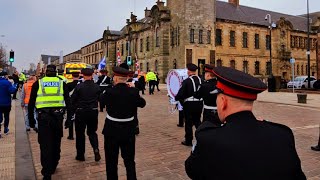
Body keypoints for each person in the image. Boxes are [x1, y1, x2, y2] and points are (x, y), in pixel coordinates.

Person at [185, 66, 306, 180]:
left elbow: (191, 169)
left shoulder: (208, 138)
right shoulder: (283, 134)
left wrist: (209, 126)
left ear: (223, 102)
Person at [101, 66, 146, 180]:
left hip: (112, 129)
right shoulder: (133, 92)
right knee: (129, 160)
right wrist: (133, 89)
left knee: (111, 161)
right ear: (126, 78)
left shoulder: (109, 91)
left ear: (115, 78)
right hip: (128, 129)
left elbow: (101, 100)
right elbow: (142, 103)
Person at [28, 65, 71, 180]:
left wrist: (31, 120)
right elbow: (68, 102)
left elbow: (31, 103)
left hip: (43, 118)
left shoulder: (38, 83)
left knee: (45, 145)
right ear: (56, 72)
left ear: (46, 72)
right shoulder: (62, 83)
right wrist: (69, 119)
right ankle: (54, 164)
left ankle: (47, 173)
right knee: (56, 142)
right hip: (58, 117)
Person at [69, 68, 101, 162]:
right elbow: (100, 99)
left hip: (81, 112)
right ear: (92, 75)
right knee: (92, 132)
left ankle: (80, 155)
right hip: (93, 111)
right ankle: (95, 148)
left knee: (80, 134)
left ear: (83, 75)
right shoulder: (96, 86)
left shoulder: (79, 87)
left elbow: (72, 100)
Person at [175, 63, 203, 146]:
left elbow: (181, 94)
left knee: (188, 123)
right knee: (197, 121)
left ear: (189, 71)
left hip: (189, 104)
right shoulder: (201, 80)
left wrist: (177, 99)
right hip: (199, 103)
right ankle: (202, 138)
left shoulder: (187, 81)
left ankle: (188, 140)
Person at [65, 72, 82, 140]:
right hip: (79, 104)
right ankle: (79, 134)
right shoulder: (81, 84)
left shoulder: (68, 84)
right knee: (79, 120)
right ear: (78, 76)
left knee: (71, 119)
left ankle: (71, 135)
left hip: (71, 104)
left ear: (72, 76)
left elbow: (66, 95)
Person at [0, 71, 17, 138]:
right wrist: (15, 86)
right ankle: (6, 129)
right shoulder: (7, 83)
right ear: (5, 76)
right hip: (6, 103)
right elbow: (12, 91)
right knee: (6, 116)